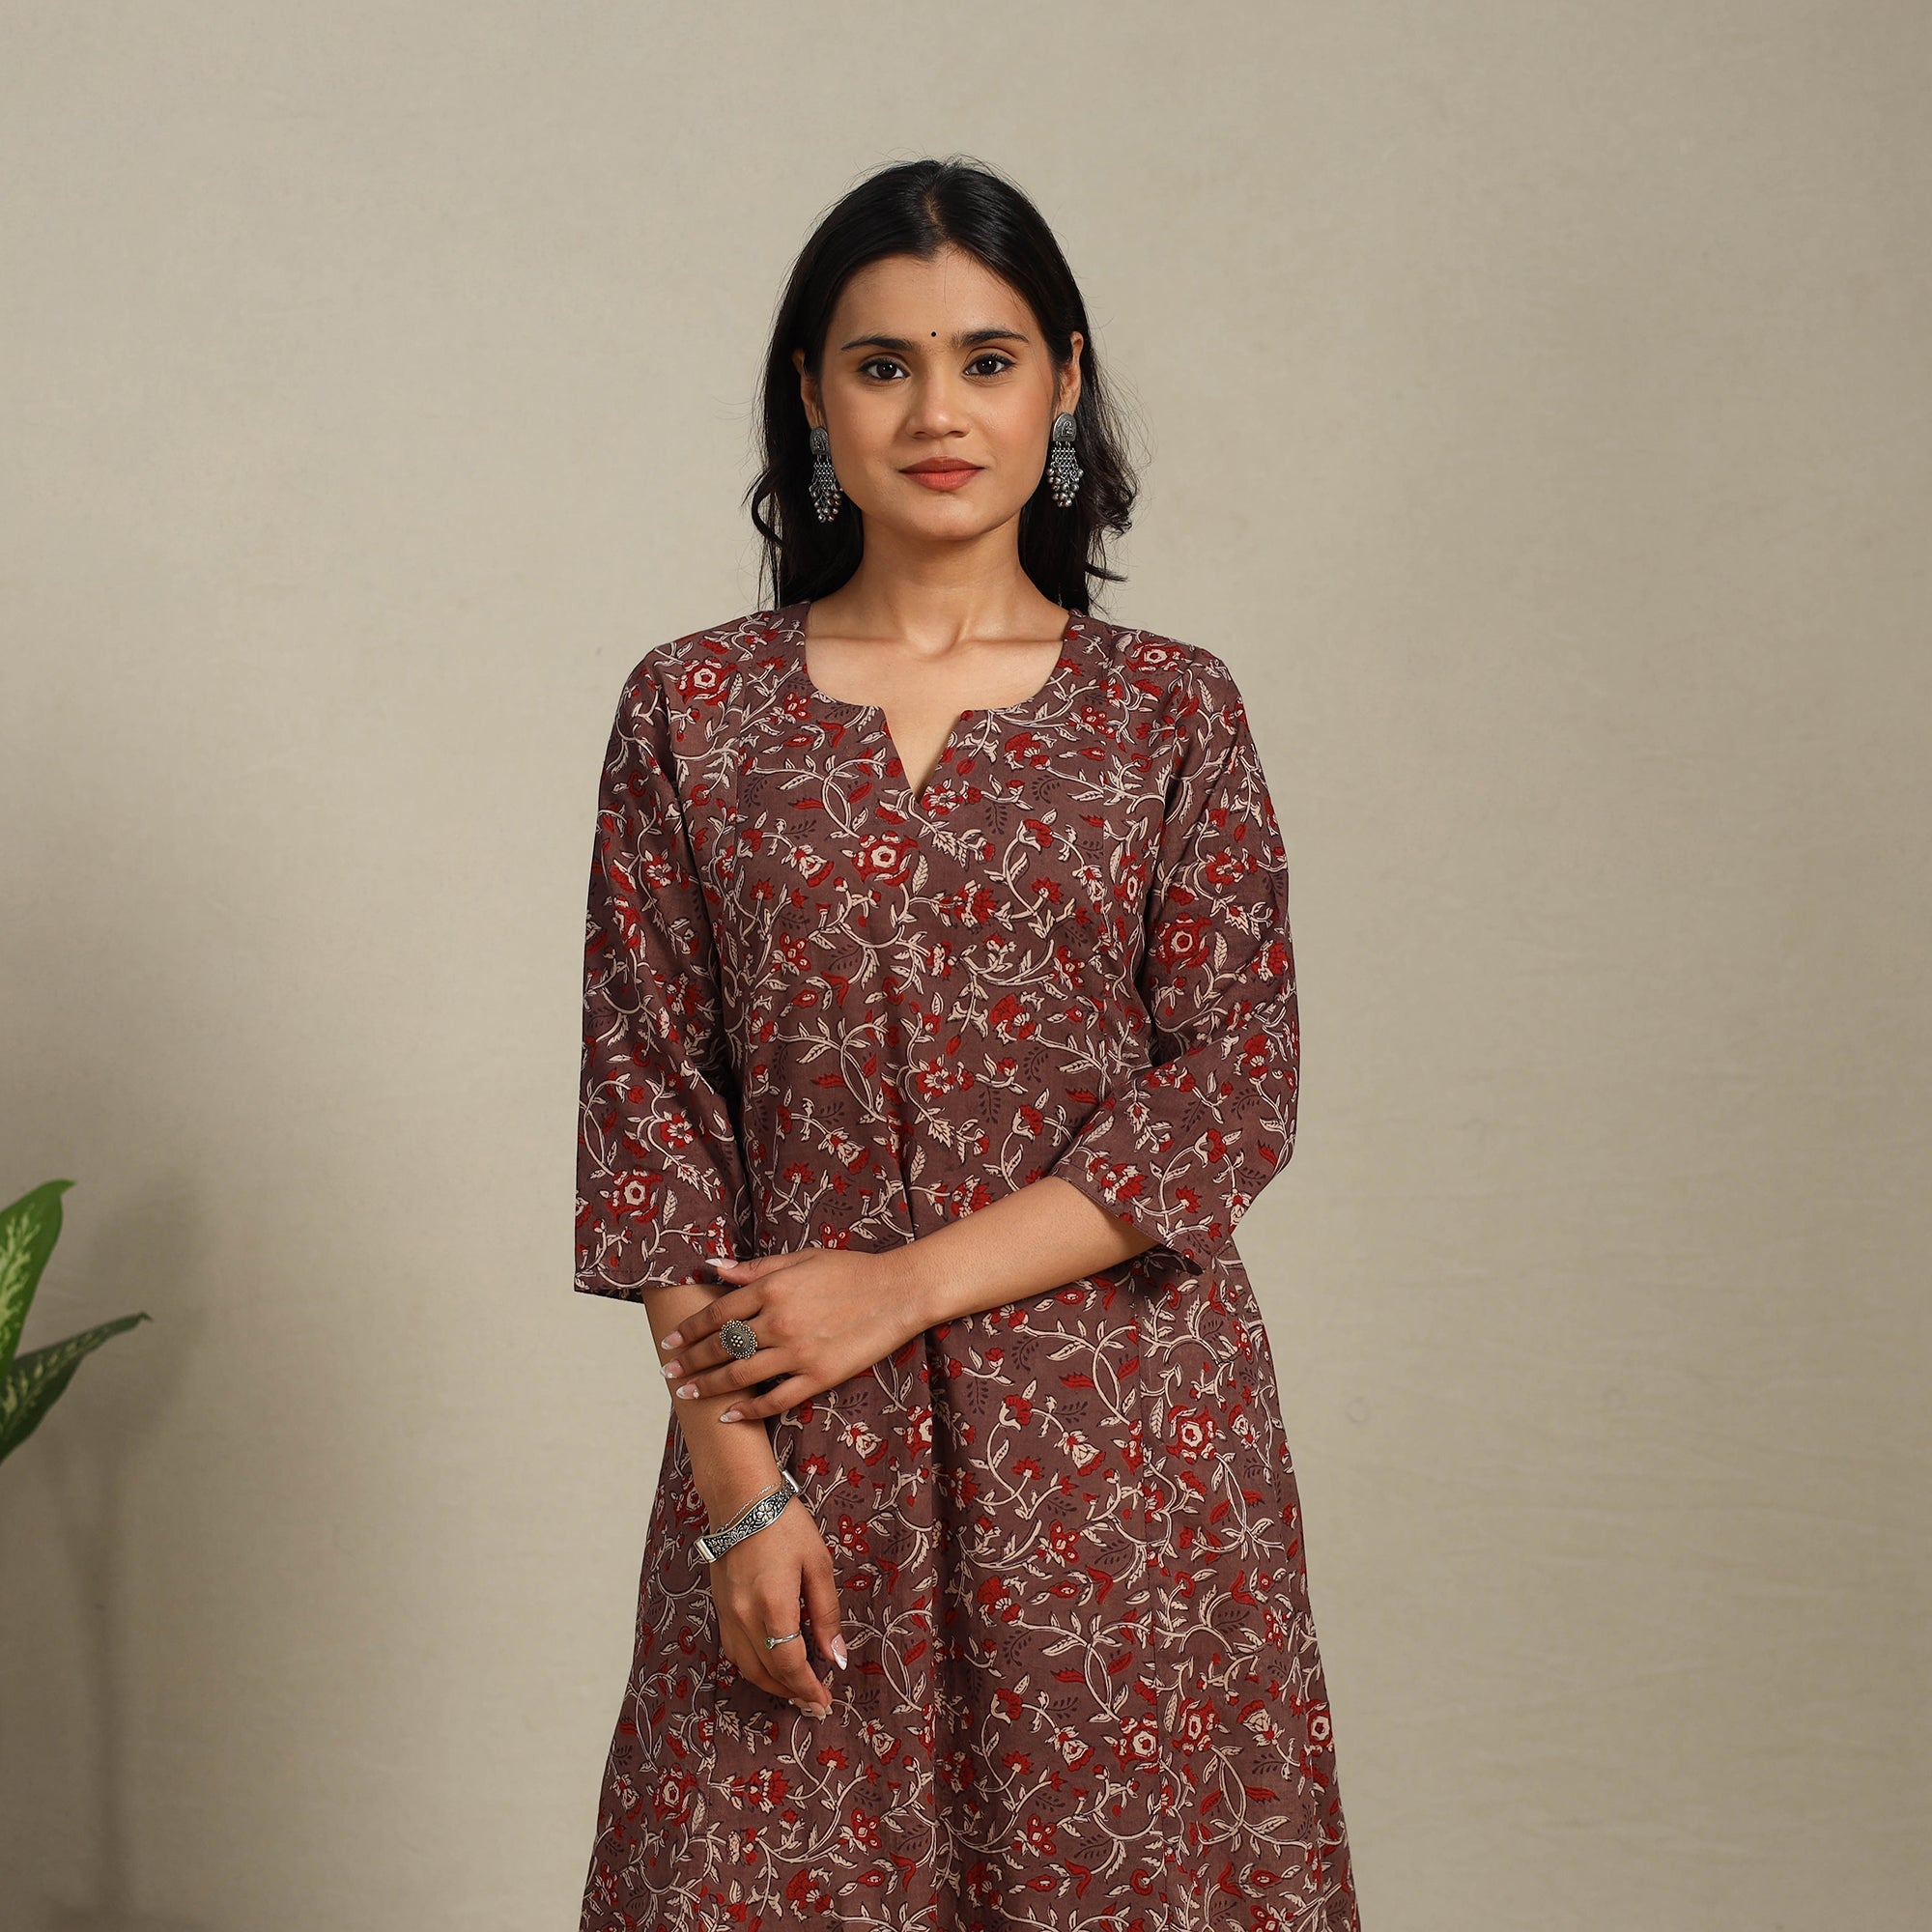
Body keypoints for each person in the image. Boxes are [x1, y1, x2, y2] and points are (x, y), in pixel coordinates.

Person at [575, 155, 1362, 1932]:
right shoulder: (693, 711)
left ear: (1063, 383)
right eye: (884, 364)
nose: (938, 412)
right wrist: (735, 1494)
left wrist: (901, 1286)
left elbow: (1232, 1091)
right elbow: (651, 1112)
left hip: (1123, 1454)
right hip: (797, 1437)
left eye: (987, 360)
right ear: (812, 396)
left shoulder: (1170, 714)